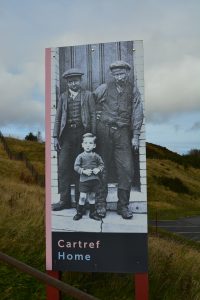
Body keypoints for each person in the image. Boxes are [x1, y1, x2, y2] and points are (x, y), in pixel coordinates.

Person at [94, 60, 143, 219]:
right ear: (112, 75)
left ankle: (123, 206)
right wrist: (96, 114)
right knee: (102, 167)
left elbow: (137, 113)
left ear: (127, 73)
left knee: (127, 168)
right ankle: (100, 204)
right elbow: (90, 102)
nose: (119, 77)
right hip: (104, 131)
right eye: (116, 74)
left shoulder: (133, 90)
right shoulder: (104, 88)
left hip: (123, 133)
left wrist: (135, 135)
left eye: (122, 73)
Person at [52, 68, 96, 211]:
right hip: (66, 136)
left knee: (81, 168)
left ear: (80, 81)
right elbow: (58, 119)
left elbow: (93, 116)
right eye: (70, 82)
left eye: (76, 81)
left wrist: (92, 136)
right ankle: (64, 201)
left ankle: (79, 202)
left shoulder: (88, 95)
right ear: (67, 83)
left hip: (83, 136)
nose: (73, 84)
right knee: (63, 167)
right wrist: (54, 137)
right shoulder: (63, 97)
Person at [73, 133, 104, 221]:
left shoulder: (96, 156)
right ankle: (79, 212)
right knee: (82, 196)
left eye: (90, 143)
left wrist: (98, 169)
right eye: (85, 143)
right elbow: (76, 167)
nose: (87, 145)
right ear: (82, 145)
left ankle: (92, 213)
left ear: (94, 145)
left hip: (94, 181)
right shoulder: (80, 156)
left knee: (92, 197)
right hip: (84, 181)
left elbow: (102, 165)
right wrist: (83, 171)